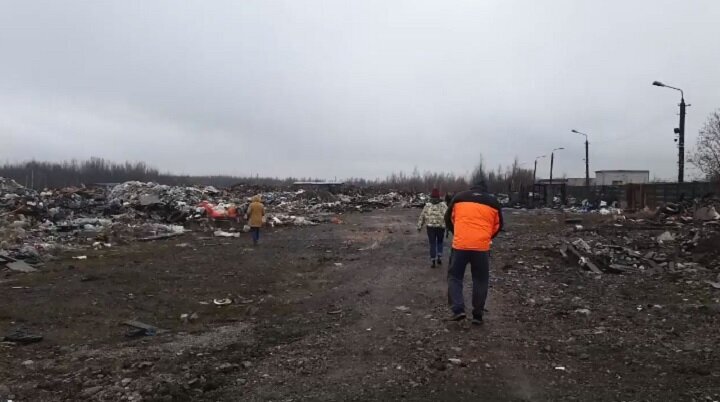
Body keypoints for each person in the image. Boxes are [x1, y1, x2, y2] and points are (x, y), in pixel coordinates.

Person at [444, 181, 503, 325]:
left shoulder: (459, 198)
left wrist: (457, 233)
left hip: (460, 245)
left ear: (472, 187)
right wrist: (487, 237)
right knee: (480, 279)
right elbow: (498, 225)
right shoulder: (493, 202)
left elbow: (448, 218)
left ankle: (458, 310)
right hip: (481, 247)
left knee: (455, 277)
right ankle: (477, 315)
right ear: (485, 189)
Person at [417, 189, 448, 268]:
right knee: (440, 242)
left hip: (430, 228)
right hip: (441, 227)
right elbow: (448, 216)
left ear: (431, 196)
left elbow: (422, 216)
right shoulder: (443, 205)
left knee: (432, 243)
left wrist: (419, 226)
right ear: (439, 196)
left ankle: (433, 260)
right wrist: (450, 227)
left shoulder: (427, 205)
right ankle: (439, 257)